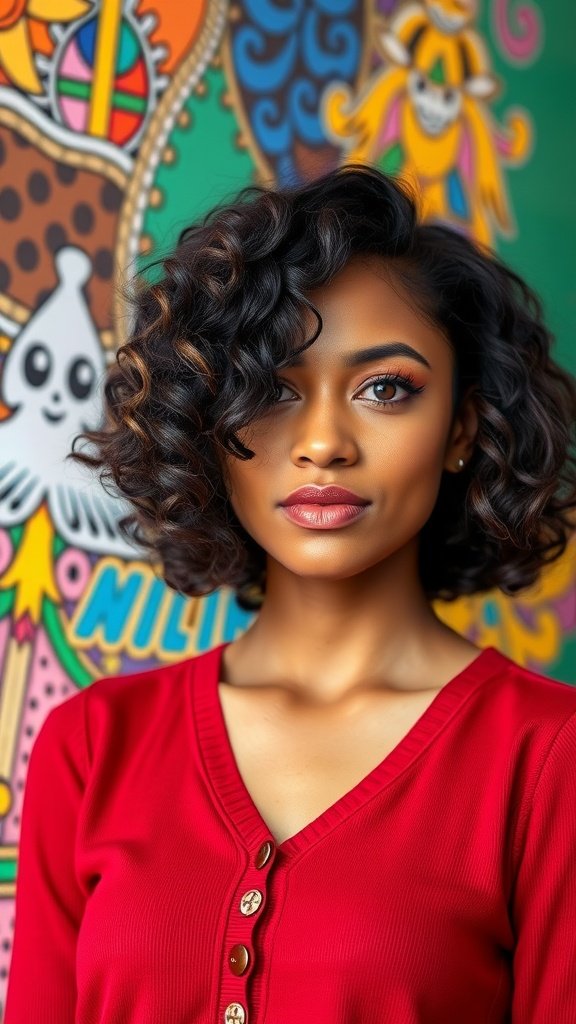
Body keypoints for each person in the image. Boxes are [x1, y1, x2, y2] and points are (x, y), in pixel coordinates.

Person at [5, 164, 576, 1023]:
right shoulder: (91, 746)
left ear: (460, 427)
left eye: (386, 389)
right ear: (206, 418)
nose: (322, 444)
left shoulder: (548, 759)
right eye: (270, 388)